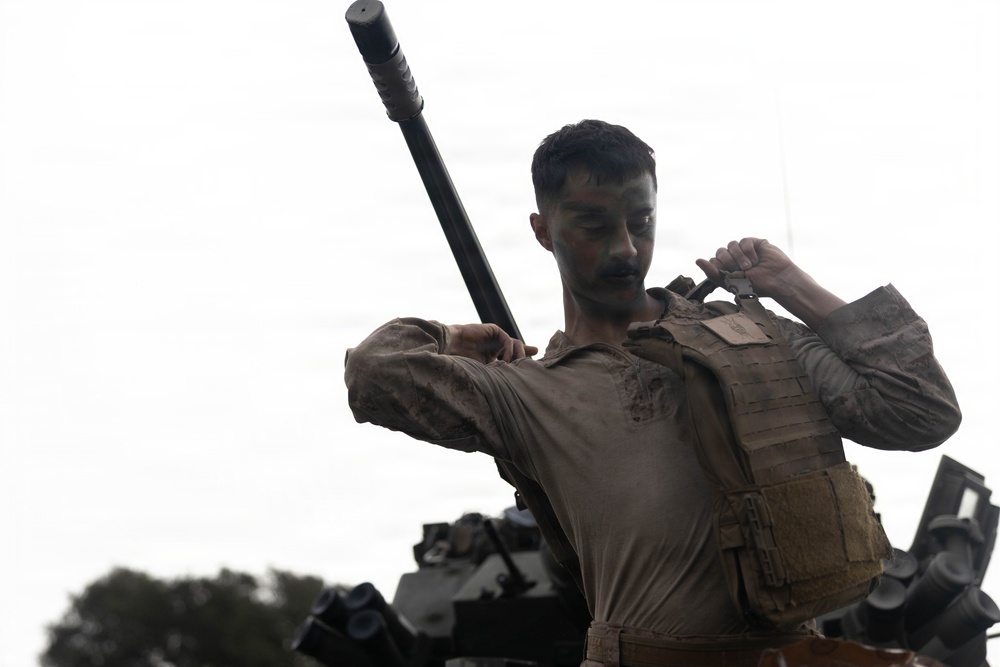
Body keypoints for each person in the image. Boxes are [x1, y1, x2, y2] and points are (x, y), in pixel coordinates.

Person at [343, 119, 962, 667]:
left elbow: (919, 411)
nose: (624, 249)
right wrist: (451, 335)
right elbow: (373, 374)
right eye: (593, 225)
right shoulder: (524, 392)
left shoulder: (755, 335)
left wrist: (791, 285)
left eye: (640, 223)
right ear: (542, 230)